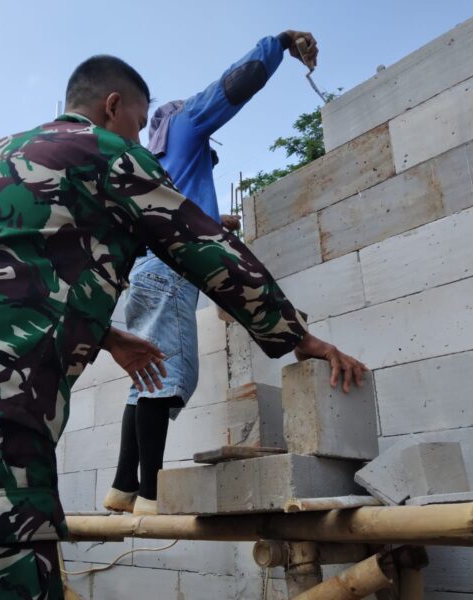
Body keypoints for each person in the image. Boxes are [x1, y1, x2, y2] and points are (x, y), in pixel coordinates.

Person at [0, 54, 366, 599]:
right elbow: (200, 243)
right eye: (137, 122)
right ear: (113, 107)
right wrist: (297, 337)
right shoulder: (107, 151)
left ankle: (130, 483)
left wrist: (105, 334)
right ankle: (136, 484)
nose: (141, 138)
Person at [105, 30, 320, 516]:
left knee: (143, 379)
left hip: (141, 275)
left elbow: (172, 209)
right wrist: (280, 43)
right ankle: (149, 495)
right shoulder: (185, 122)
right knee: (166, 374)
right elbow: (231, 87)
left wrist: (213, 218)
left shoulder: (148, 160)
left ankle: (123, 485)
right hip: (168, 271)